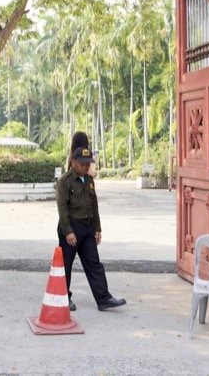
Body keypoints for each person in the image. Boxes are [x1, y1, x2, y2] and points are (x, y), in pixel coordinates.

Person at [55, 131, 126, 312]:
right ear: (73, 162)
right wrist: (68, 231)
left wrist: (97, 229)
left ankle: (103, 298)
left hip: (87, 228)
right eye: (82, 164)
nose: (86, 167)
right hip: (71, 227)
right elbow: (62, 209)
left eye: (88, 164)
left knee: (94, 263)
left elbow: (94, 206)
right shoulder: (65, 182)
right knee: (66, 265)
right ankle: (64, 298)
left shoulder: (89, 181)